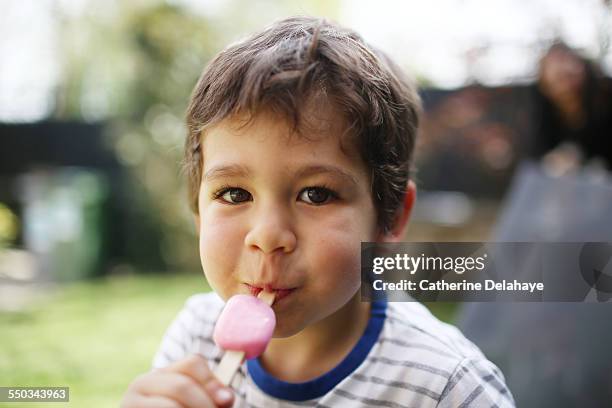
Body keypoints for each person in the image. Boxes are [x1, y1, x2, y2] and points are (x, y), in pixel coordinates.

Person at [121, 16, 514, 407]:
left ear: (390, 215)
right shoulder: (195, 340)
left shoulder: (448, 386)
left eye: (315, 195)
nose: (268, 236)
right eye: (235, 193)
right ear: (198, 213)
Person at [531, 42, 612, 174]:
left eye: (569, 75)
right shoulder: (544, 108)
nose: (566, 86)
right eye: (559, 78)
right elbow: (540, 149)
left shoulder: (604, 97)